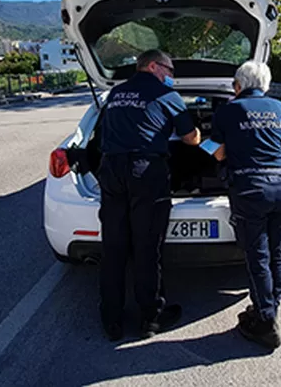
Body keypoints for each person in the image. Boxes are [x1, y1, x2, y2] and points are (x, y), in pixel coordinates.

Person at [96, 49, 201, 341]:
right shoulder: (167, 96)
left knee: (114, 247)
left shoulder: (115, 94)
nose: (171, 77)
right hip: (146, 173)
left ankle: (111, 319)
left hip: (112, 170)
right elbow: (191, 138)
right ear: (153, 66)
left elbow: (103, 132)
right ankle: (151, 317)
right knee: (146, 247)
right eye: (169, 70)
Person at [211, 60, 281, 349]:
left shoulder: (228, 110)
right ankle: (269, 308)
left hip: (250, 191)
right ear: (266, 85)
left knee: (257, 256)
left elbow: (218, 153)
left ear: (237, 85)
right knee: (276, 253)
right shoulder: (279, 108)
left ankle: (265, 322)